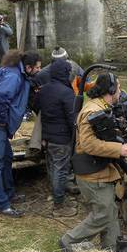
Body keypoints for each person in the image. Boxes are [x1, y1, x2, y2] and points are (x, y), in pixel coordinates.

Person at [59, 73, 127, 252]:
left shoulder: (101, 107)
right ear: (110, 90)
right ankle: (69, 240)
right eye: (118, 86)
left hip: (98, 170)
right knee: (103, 214)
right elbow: (88, 145)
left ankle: (111, 250)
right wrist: (119, 149)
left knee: (110, 211)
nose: (120, 90)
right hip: (92, 174)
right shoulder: (92, 111)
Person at [0, 50, 42, 217]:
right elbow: (0, 97)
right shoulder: (13, 76)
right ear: (28, 67)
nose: (39, 70)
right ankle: (1, 204)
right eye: (38, 68)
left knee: (6, 157)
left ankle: (8, 194)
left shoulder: (17, 73)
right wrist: (2, 121)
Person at [33, 59, 77, 217]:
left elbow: (35, 105)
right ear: (64, 73)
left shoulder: (44, 90)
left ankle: (56, 197)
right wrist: (76, 138)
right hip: (61, 138)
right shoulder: (66, 92)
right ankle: (59, 205)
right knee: (60, 170)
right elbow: (73, 118)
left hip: (47, 137)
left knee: (52, 168)